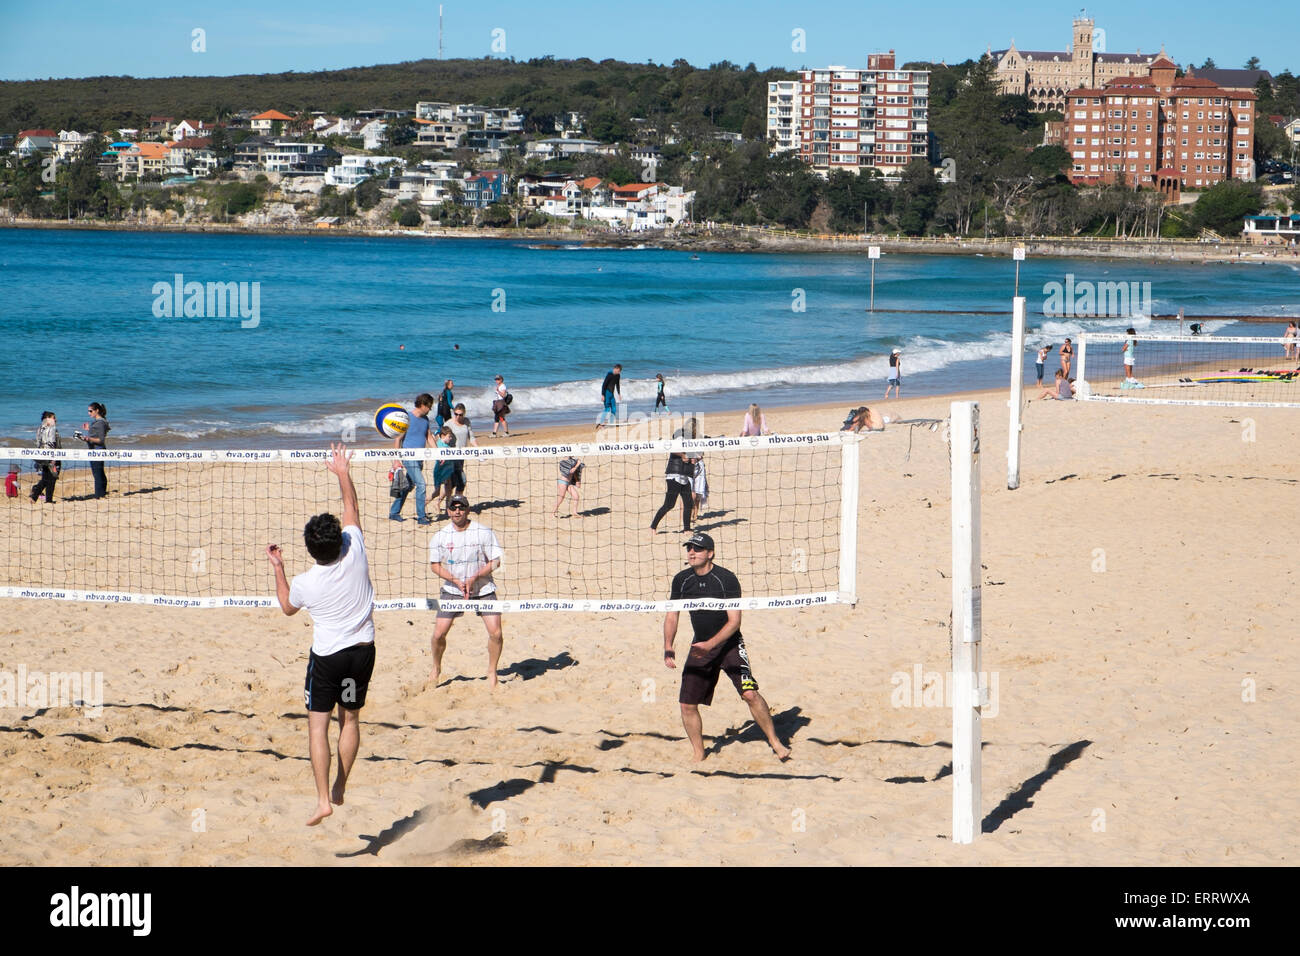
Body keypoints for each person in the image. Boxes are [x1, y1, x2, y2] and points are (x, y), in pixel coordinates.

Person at [266, 443, 376, 827]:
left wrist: (278, 567)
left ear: (311, 550)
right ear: (340, 542)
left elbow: (286, 606)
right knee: (350, 721)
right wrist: (342, 472)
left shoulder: (305, 582)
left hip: (328, 660)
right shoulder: (356, 550)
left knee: (318, 726)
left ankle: (321, 800)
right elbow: (352, 510)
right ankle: (340, 786)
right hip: (361, 654)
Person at [663, 532, 790, 763]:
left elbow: (735, 622)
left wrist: (710, 645)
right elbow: (672, 615)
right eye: (689, 548)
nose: (691, 552)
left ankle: (776, 742)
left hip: (729, 644)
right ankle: (699, 754)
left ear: (710, 553)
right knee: (686, 704)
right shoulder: (681, 580)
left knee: (750, 693)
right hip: (700, 645)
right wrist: (668, 645)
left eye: (697, 549)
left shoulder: (726, 579)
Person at [428, 494, 505, 688]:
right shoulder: (441, 536)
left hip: (483, 587)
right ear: (447, 511)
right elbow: (435, 565)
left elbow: (495, 561)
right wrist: (455, 580)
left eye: (461, 508)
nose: (457, 511)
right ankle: (436, 668)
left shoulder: (483, 532)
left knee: (496, 633)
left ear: (467, 510)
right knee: (438, 634)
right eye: (453, 508)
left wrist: (474, 578)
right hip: (453, 589)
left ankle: (492, 672)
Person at [389, 393, 434, 525]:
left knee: (408, 486)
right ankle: (421, 517)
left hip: (420, 458)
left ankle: (394, 512)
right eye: (429, 406)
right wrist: (396, 460)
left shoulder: (425, 420)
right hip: (408, 457)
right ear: (422, 405)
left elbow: (429, 437)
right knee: (421, 485)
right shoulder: (406, 418)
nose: (430, 409)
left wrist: (439, 454)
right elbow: (398, 439)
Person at [76, 402, 110, 499]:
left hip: (97, 450)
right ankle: (102, 493)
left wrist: (88, 439)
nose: (89, 413)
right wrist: (89, 429)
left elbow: (100, 440)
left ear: (97, 411)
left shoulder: (100, 423)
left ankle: (99, 495)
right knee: (99, 472)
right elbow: (96, 434)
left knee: (97, 473)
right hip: (95, 450)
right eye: (88, 411)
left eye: (90, 411)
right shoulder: (98, 422)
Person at [446, 402, 476, 496]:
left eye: (460, 414)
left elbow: (471, 437)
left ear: (464, 414)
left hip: (462, 456)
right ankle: (457, 502)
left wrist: (478, 449)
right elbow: (441, 438)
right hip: (452, 457)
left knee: (453, 483)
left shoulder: (466, 422)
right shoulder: (449, 423)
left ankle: (437, 501)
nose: (458, 416)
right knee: (462, 480)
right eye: (456, 414)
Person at [30, 411, 60, 504]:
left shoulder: (40, 428)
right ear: (47, 419)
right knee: (52, 478)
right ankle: (48, 499)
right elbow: (51, 444)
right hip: (51, 456)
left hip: (42, 455)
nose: (55, 420)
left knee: (45, 478)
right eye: (53, 418)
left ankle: (34, 496)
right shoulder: (51, 429)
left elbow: (39, 443)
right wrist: (54, 458)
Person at [427, 425, 457, 517]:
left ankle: (448, 510)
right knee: (436, 492)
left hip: (448, 471)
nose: (451, 438)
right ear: (443, 436)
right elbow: (431, 439)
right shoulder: (438, 445)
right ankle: (422, 506)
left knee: (449, 491)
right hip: (440, 471)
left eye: (451, 436)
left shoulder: (447, 445)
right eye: (449, 436)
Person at [597, 363, 622, 428]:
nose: (619, 372)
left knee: (614, 408)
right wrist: (603, 395)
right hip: (606, 393)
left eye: (620, 371)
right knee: (607, 409)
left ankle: (611, 423)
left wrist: (619, 394)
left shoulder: (618, 376)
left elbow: (617, 385)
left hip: (612, 394)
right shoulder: (609, 375)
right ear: (615, 369)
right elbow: (604, 385)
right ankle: (601, 423)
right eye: (618, 371)